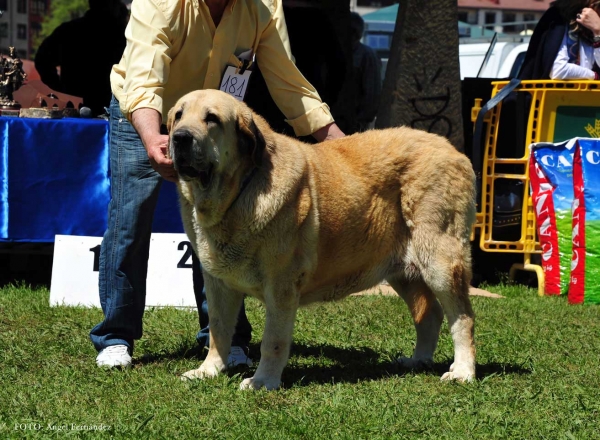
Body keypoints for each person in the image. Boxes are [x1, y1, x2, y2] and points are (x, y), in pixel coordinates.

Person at [89, 0, 345, 368]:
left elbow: (289, 83)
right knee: (130, 220)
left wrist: (342, 144)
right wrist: (153, 139)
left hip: (215, 127)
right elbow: (143, 82)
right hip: (148, 113)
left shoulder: (263, 6)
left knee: (223, 227)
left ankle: (224, 342)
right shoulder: (159, 3)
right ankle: (115, 337)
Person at [34, 0, 128, 116]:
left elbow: (42, 60)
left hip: (74, 106)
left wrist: (58, 90)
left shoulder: (69, 31)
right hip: (110, 107)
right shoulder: (122, 36)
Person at [520, 0, 600, 80]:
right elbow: (559, 70)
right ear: (591, 6)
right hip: (554, 91)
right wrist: (594, 76)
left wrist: (598, 31)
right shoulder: (559, 21)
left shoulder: (592, 31)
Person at [349, 12, 382, 132]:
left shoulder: (367, 55)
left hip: (356, 122)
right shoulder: (339, 53)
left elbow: (372, 93)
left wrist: (362, 120)